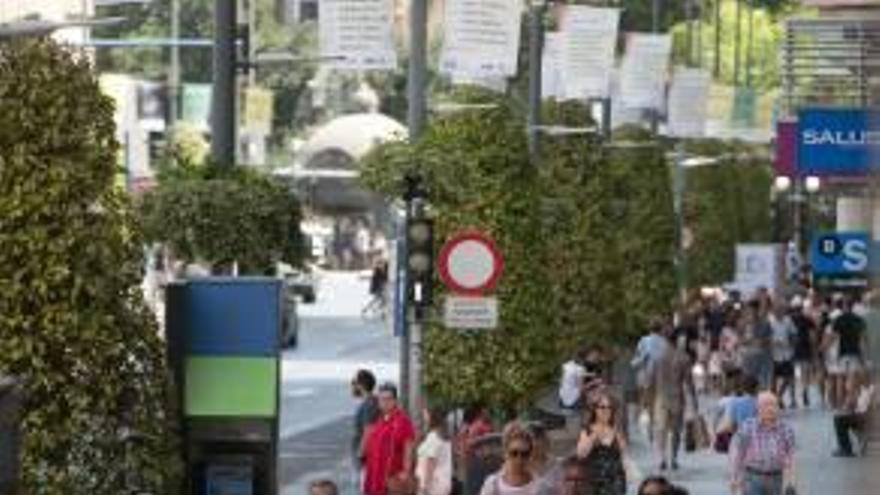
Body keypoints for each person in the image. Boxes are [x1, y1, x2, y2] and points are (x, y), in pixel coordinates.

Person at [729, 392, 796, 495]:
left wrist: (792, 481)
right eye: (766, 405)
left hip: (776, 477)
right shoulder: (748, 427)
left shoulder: (786, 429)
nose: (770, 408)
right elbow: (738, 454)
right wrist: (734, 478)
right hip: (753, 477)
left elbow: (791, 457)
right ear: (758, 408)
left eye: (773, 405)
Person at [650, 331, 696, 471]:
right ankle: (674, 458)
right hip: (677, 397)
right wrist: (694, 400)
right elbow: (689, 382)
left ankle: (662, 458)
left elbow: (651, 380)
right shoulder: (684, 358)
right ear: (677, 340)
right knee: (676, 431)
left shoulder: (658, 357)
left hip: (661, 397)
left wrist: (647, 401)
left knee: (661, 429)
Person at [363, 383, 416, 495]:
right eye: (382, 399)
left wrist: (406, 472)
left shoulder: (403, 421)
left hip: (390, 481)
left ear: (395, 401)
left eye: (388, 399)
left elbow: (409, 447)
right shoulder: (380, 420)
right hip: (374, 477)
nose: (385, 403)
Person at [576, 395, 627, 495]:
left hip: (615, 481)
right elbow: (581, 454)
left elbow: (623, 455)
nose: (606, 410)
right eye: (602, 407)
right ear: (595, 409)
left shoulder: (616, 430)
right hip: (594, 481)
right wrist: (593, 436)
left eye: (609, 407)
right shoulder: (587, 430)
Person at [479, 423, 537, 495]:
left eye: (525, 454)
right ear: (505, 453)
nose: (519, 459)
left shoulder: (538, 486)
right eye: (514, 453)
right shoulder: (493, 484)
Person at [832, 370, 876, 457]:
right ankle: (847, 446)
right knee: (841, 416)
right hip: (863, 417)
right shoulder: (870, 388)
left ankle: (845, 449)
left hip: (862, 418)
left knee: (838, 418)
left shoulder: (861, 390)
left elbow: (850, 406)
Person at [351, 370, 379, 489]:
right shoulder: (371, 401)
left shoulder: (369, 403)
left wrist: (360, 453)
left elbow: (369, 430)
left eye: (354, 383)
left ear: (361, 385)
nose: (352, 387)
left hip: (366, 459)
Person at [417, 408, 453, 495]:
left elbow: (430, 463)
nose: (424, 418)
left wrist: (424, 487)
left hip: (433, 485)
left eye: (426, 415)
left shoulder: (433, 437)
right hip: (443, 482)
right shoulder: (444, 437)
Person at [790, 296, 817, 408]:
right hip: (805, 349)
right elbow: (812, 336)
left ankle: (793, 398)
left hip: (792, 350)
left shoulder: (789, 319)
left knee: (792, 375)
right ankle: (804, 392)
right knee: (805, 373)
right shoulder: (808, 320)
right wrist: (814, 350)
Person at [769, 303, 797, 409]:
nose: (779, 311)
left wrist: (792, 343)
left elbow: (794, 333)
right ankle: (775, 401)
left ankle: (778, 396)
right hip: (773, 354)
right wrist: (773, 342)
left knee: (788, 377)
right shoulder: (769, 321)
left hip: (787, 353)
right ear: (773, 310)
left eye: (781, 309)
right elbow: (766, 336)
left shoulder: (788, 320)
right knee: (773, 379)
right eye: (777, 309)